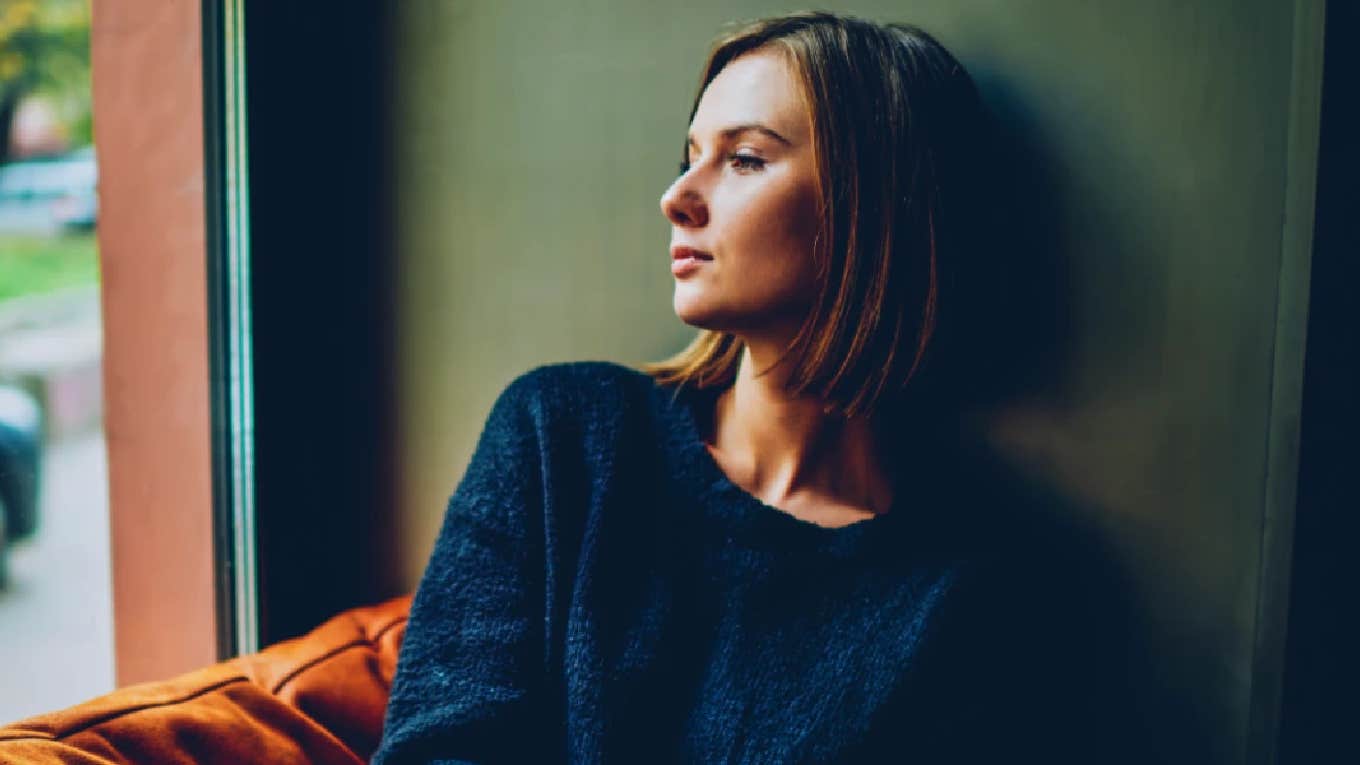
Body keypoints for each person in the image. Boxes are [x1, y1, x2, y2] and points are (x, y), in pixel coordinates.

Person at [374, 11, 1140, 764]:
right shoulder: (562, 437)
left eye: (743, 159)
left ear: (871, 206)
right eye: (690, 155)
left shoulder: (982, 594)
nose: (677, 196)